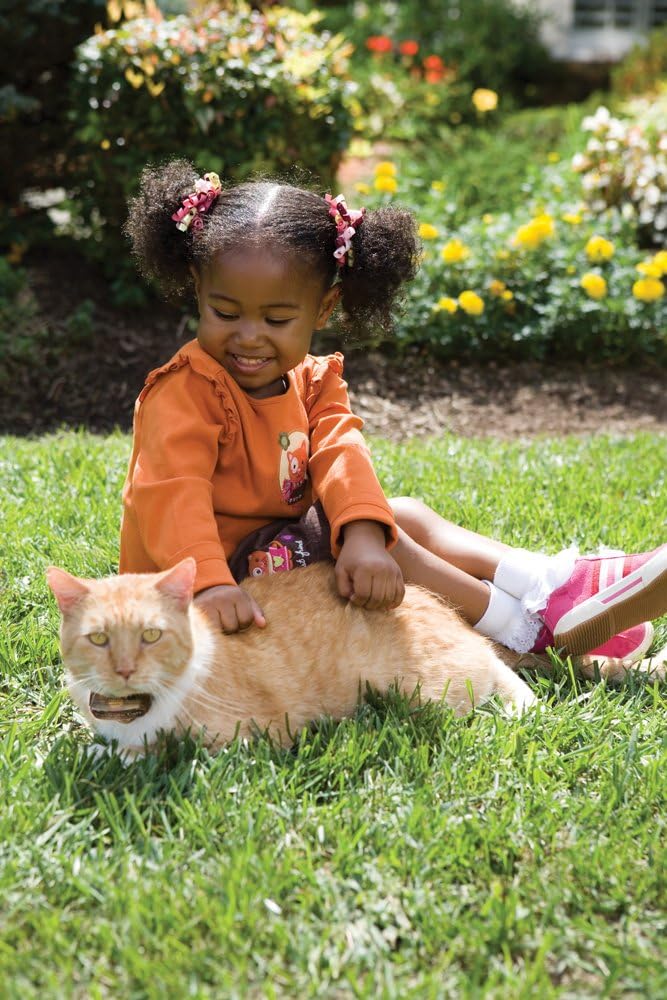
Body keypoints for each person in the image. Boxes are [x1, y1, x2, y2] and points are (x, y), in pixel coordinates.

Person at [119, 160, 666, 661]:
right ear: (197, 289)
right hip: (214, 584)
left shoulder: (313, 379)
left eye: (277, 319)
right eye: (224, 311)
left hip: (272, 559)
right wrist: (210, 584)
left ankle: (549, 584)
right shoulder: (185, 393)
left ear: (324, 308)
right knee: (387, 534)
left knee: (397, 514)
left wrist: (359, 530)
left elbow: (341, 452)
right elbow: (172, 495)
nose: (249, 336)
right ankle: (527, 627)